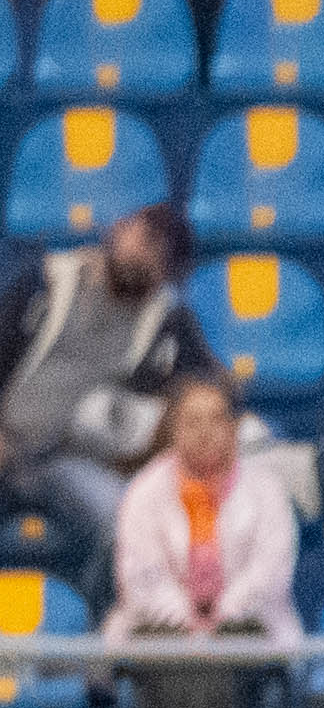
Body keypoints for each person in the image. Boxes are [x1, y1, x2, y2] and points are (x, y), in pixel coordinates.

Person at [0, 208, 201, 586]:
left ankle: (105, 634)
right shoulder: (46, 282)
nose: (148, 256)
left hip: (73, 460)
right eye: (146, 240)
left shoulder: (166, 321)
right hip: (6, 442)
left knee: (125, 520)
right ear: (120, 228)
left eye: (163, 257)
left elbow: (205, 386)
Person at [101, 370, 293, 708]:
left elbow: (270, 574)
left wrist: (219, 619)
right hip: (162, 630)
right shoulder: (144, 491)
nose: (205, 431)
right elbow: (141, 579)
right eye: (192, 421)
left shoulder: (267, 490)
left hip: (245, 627)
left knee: (231, 651)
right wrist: (190, 626)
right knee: (177, 660)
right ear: (174, 431)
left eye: (216, 419)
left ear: (234, 427)